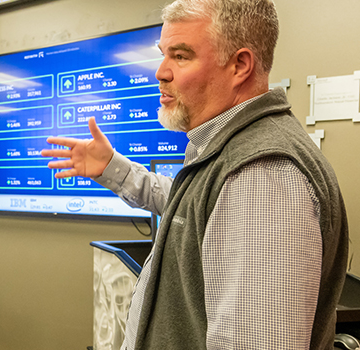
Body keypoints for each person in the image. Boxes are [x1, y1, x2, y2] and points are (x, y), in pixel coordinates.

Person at [42, 0, 347, 349]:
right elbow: (190, 210)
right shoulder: (231, 154)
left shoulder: (260, 172)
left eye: (181, 56)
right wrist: (114, 167)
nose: (160, 71)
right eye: (163, 54)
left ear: (240, 65)